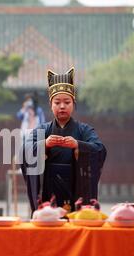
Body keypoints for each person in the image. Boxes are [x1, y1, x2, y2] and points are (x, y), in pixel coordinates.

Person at [21, 67, 106, 214]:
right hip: (48, 189)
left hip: (76, 188)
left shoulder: (84, 130)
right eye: (57, 102)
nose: (62, 106)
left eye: (67, 102)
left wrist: (78, 145)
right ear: (50, 104)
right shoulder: (42, 130)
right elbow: (25, 150)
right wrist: (44, 145)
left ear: (73, 104)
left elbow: (99, 149)